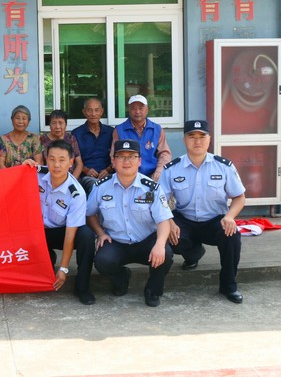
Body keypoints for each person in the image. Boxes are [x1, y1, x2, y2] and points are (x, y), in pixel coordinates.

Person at [160, 120, 246, 304]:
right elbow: (160, 200)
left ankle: (228, 286)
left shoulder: (224, 166)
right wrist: (169, 221)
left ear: (209, 139)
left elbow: (239, 197)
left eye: (202, 136)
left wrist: (230, 216)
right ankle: (194, 254)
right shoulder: (172, 168)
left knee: (232, 236)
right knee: (166, 234)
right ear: (184, 139)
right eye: (192, 136)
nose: (197, 141)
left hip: (215, 220)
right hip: (185, 219)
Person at [86, 140, 173, 307]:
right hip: (116, 242)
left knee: (166, 254)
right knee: (102, 261)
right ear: (113, 161)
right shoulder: (101, 187)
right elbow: (89, 214)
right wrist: (100, 233)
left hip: (146, 241)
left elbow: (163, 220)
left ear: (139, 161)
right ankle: (122, 278)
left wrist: (160, 244)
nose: (126, 161)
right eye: (121, 157)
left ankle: (153, 290)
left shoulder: (151, 188)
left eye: (132, 157)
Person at [23, 140, 96, 305]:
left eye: (62, 160)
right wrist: (22, 167)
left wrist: (63, 268)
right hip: (38, 232)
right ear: (46, 159)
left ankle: (82, 287)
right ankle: (48, 256)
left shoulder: (76, 194)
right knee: (41, 267)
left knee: (86, 236)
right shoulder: (35, 174)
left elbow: (70, 235)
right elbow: (13, 182)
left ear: (71, 162)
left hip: (62, 232)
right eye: (52, 159)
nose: (56, 165)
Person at [112, 95, 171, 181]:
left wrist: (159, 171)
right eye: (133, 108)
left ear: (147, 110)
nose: (137, 111)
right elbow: (114, 156)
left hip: (153, 175)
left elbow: (164, 153)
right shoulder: (119, 130)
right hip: (127, 176)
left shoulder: (156, 129)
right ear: (128, 109)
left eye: (141, 108)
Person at [72, 98, 115, 194]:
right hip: (86, 177)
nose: (93, 114)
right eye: (89, 110)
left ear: (102, 111)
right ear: (84, 112)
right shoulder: (76, 133)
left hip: (108, 174)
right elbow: (73, 159)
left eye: (97, 110)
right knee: (96, 186)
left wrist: (108, 170)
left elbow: (117, 156)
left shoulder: (111, 132)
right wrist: (86, 170)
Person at [39, 110, 83, 180]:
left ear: (66, 124)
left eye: (60, 123)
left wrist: (71, 181)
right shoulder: (42, 140)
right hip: (50, 179)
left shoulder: (71, 139)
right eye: (54, 123)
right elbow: (40, 164)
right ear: (49, 125)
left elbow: (79, 164)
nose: (57, 127)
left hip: (71, 178)